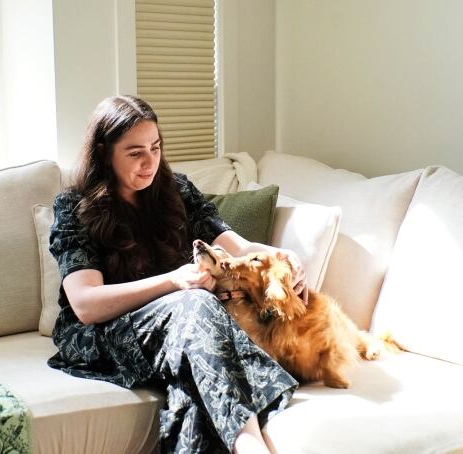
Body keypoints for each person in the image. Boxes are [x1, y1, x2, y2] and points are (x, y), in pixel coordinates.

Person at [47, 95, 308, 453]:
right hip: (105, 332)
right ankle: (249, 442)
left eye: (155, 147)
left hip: (184, 328)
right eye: (135, 152)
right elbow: (86, 305)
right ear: (106, 152)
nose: (149, 161)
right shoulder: (74, 208)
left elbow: (236, 247)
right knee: (196, 304)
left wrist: (282, 257)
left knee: (191, 381)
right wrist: (173, 282)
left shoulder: (177, 190)